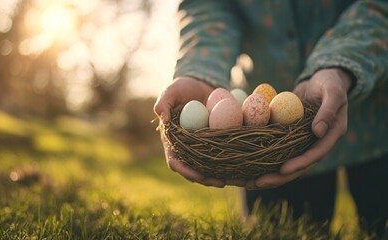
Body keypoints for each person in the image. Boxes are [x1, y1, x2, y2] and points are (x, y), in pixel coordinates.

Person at [153, 0, 388, 237]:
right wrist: (200, 70)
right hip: (268, 149)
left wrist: (340, 65)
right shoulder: (255, 134)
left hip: (376, 125)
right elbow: (210, 5)